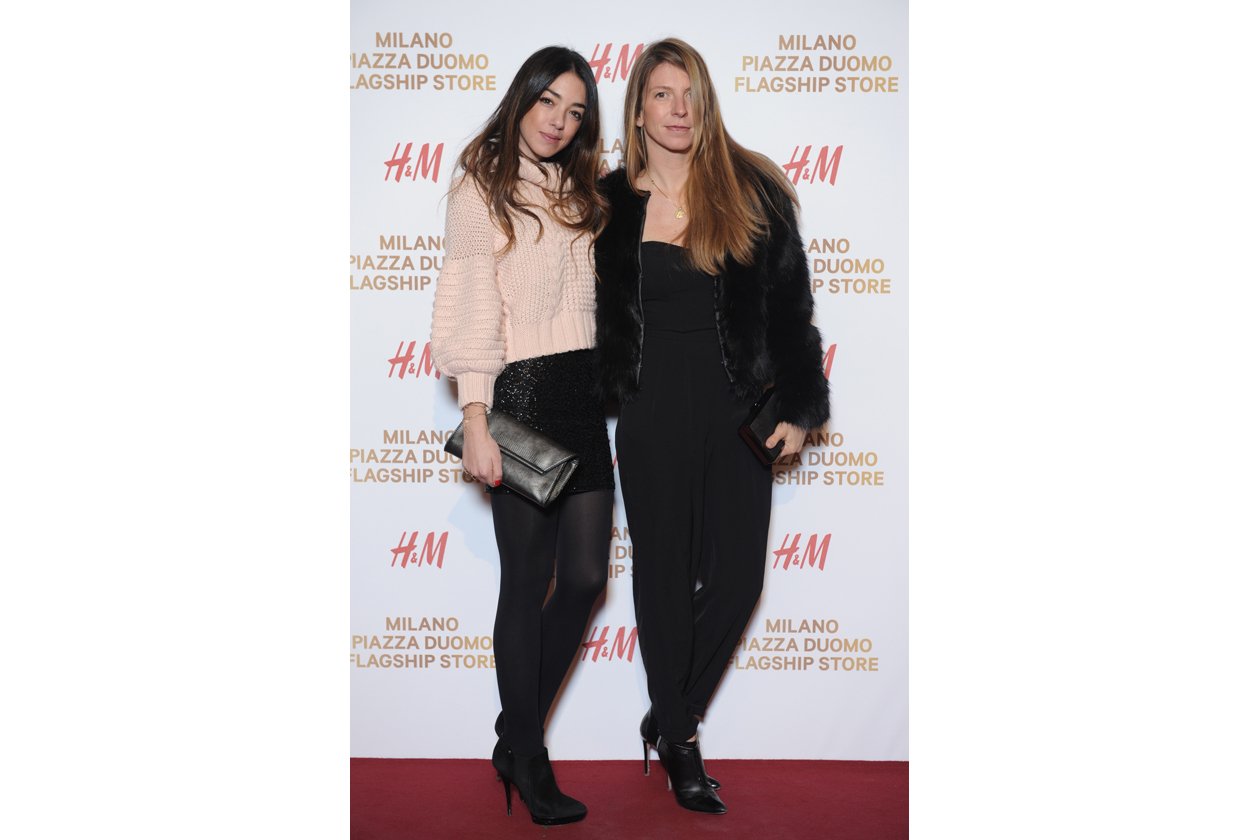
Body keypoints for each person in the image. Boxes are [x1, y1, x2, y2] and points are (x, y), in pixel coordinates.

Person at [594, 37, 831, 815]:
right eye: (662, 94)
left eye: (690, 93)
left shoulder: (753, 188)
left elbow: (792, 310)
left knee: (738, 579)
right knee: (662, 576)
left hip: (737, 410)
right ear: (638, 109)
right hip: (650, 412)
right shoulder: (606, 205)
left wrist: (800, 405)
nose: (679, 109)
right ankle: (683, 741)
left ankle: (669, 712)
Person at [429, 46, 611, 826]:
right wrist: (475, 419)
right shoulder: (481, 186)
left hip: (583, 393)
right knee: (526, 582)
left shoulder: (583, 189)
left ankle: (513, 735)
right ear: (523, 98)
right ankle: (530, 757)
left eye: (575, 111)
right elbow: (471, 302)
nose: (558, 121)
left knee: (586, 579)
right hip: (522, 395)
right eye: (548, 102)